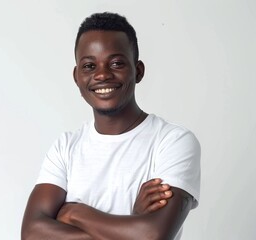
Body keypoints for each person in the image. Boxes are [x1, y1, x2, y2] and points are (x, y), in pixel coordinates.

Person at [21, 12, 200, 240]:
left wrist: (74, 212)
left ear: (139, 71)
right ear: (77, 76)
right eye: (89, 66)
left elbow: (153, 235)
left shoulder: (173, 141)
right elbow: (31, 233)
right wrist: (131, 221)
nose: (102, 74)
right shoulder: (65, 147)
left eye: (116, 63)